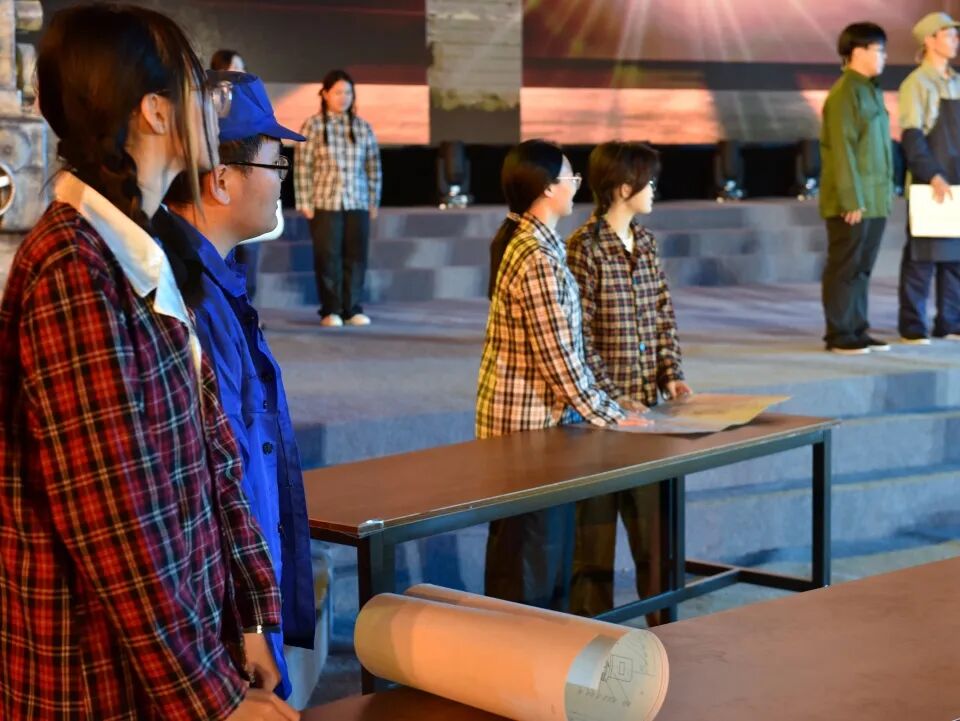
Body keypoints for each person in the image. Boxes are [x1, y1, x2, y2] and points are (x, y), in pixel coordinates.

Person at [0, 5, 297, 720]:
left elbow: (208, 448)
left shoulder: (136, 247)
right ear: (156, 112)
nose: (214, 107)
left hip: (167, 659)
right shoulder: (73, 267)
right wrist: (214, 697)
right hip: (97, 678)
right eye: (200, 87)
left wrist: (249, 612)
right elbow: (116, 519)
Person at [164, 71, 315, 705]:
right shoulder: (187, 299)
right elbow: (213, 483)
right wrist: (251, 627)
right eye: (275, 163)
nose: (282, 179)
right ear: (221, 178)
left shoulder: (215, 283)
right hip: (223, 638)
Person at [478, 139, 646, 610]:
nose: (577, 185)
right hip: (528, 434)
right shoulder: (536, 257)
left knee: (531, 555)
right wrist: (610, 415)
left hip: (531, 430)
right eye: (571, 177)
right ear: (548, 188)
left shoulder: (533, 244)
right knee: (528, 564)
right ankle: (518, 653)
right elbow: (560, 360)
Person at [565, 141, 690, 624]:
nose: (653, 189)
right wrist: (614, 398)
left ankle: (665, 635)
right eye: (647, 180)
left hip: (649, 416)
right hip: (599, 422)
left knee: (655, 539)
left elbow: (663, 314)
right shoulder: (585, 248)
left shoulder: (648, 242)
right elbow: (579, 336)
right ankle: (587, 640)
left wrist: (672, 374)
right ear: (622, 188)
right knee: (593, 544)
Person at [819, 22, 894, 355]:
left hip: (874, 198)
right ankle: (839, 333)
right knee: (845, 266)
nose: (884, 57)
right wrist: (851, 199)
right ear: (858, 51)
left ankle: (857, 328)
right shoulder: (844, 93)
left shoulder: (870, 89)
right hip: (852, 201)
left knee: (862, 268)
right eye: (879, 50)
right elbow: (842, 149)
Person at [295, 69, 381, 327]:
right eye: (338, 92)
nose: (344, 97)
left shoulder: (362, 127)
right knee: (327, 256)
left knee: (356, 256)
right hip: (324, 201)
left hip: (357, 200)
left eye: (348, 93)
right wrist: (304, 201)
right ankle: (331, 309)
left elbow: (373, 166)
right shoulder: (313, 126)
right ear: (325, 94)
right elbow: (303, 166)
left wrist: (373, 200)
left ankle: (352, 308)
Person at [898, 12, 960, 344]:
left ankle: (950, 322)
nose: (955, 41)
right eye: (949, 35)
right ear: (929, 40)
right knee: (921, 257)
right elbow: (912, 136)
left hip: (958, 180)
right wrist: (932, 174)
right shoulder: (916, 83)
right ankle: (913, 325)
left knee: (956, 258)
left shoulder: (956, 81)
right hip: (929, 183)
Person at [210, 48, 264, 302]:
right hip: (220, 188)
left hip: (248, 187)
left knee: (249, 256)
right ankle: (226, 310)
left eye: (242, 68)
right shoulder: (209, 103)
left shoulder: (253, 104)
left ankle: (248, 308)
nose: (240, 73)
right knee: (223, 255)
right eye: (233, 68)